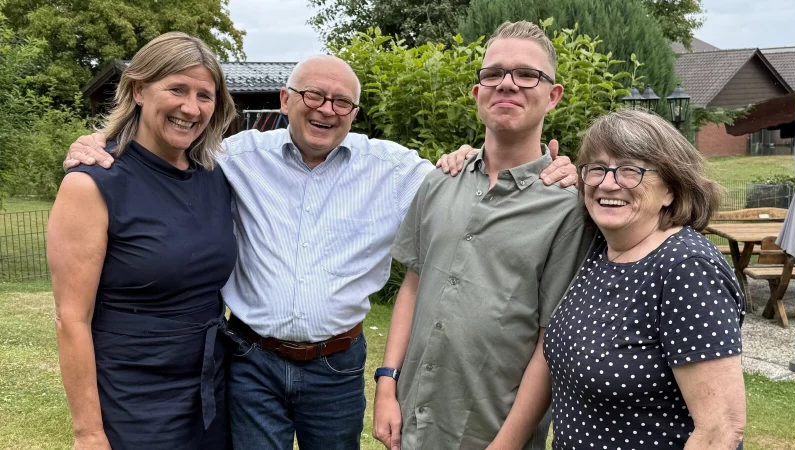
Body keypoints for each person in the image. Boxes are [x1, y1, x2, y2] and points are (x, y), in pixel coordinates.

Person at [64, 54, 577, 449]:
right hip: (250, 360)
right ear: (285, 100)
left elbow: (473, 184)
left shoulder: (397, 170)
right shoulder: (235, 157)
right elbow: (162, 148)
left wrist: (551, 170)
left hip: (336, 365)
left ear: (355, 112)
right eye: (313, 95)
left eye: (342, 103)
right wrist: (94, 145)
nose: (326, 110)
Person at [373, 21, 595, 450]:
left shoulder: (567, 207)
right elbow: (413, 288)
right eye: (493, 73)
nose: (507, 84)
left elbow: (552, 341)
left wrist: (507, 443)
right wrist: (386, 385)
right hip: (415, 421)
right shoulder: (439, 181)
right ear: (477, 94)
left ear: (553, 96)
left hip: (490, 429)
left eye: (526, 74)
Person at [48, 32, 238, 450]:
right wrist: (88, 433)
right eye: (177, 89)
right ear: (138, 89)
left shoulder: (217, 176)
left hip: (212, 388)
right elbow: (71, 319)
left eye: (205, 95)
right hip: (134, 394)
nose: (192, 108)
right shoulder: (92, 183)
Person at [544, 109, 747, 450]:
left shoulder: (686, 268)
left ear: (670, 188)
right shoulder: (601, 249)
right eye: (597, 168)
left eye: (630, 170)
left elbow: (721, 429)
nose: (609, 183)